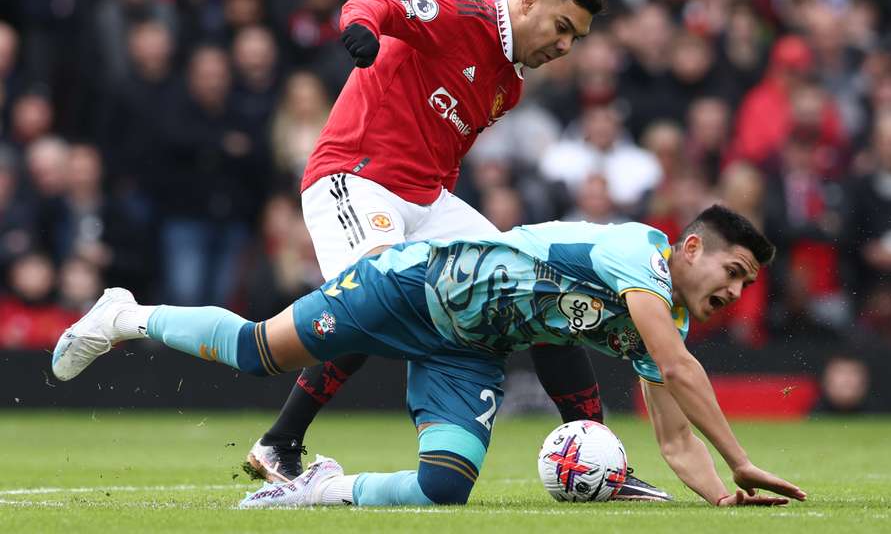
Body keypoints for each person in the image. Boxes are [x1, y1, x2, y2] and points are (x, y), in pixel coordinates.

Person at [242, 0, 669, 500]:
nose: (565, 47)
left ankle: (604, 456)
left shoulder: (508, 85)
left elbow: (443, 156)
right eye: (563, 28)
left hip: (426, 198)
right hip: (355, 177)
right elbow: (370, 7)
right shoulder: (463, 14)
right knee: (372, 298)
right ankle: (281, 441)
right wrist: (360, 34)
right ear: (530, 0)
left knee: (537, 288)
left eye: (576, 39)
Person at [52, 205, 808, 508]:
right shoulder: (637, 254)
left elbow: (674, 436)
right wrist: (741, 459)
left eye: (747, 284)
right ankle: (128, 313)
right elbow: (680, 370)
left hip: (466, 350)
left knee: (443, 489)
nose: (736, 291)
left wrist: (722, 499)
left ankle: (312, 490)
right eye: (733, 271)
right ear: (691, 247)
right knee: (260, 350)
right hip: (409, 285)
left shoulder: (656, 321)